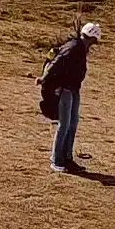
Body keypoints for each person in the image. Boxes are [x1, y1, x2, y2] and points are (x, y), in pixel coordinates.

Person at [38, 22, 101, 172]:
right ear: (91, 38)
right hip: (65, 89)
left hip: (73, 89)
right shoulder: (73, 48)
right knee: (65, 124)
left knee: (72, 123)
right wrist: (45, 80)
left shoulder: (79, 47)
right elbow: (56, 64)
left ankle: (67, 159)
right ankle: (57, 160)